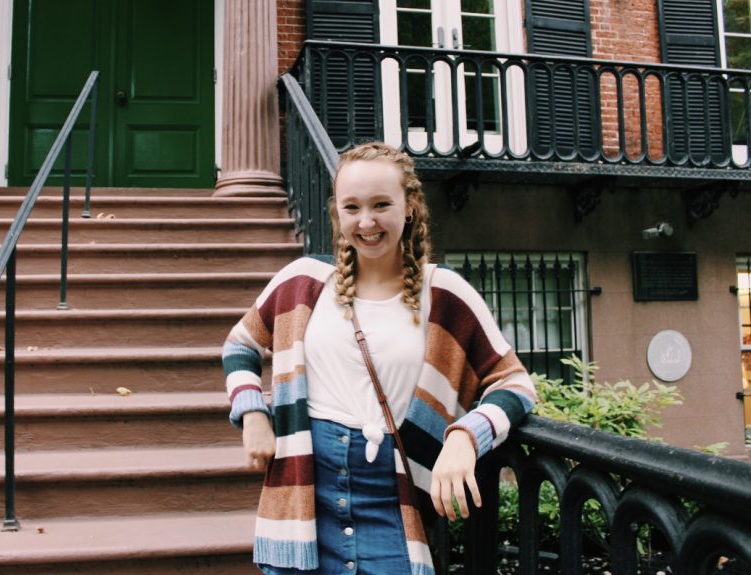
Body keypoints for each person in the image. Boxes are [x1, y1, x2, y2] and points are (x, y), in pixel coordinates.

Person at [222, 142, 536, 574]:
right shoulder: (302, 282)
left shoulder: (443, 294)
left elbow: (515, 383)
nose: (365, 222)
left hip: (393, 503)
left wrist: (465, 438)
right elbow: (240, 345)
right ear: (338, 213)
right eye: (351, 207)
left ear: (409, 207)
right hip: (301, 500)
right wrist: (252, 411)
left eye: (381, 204)